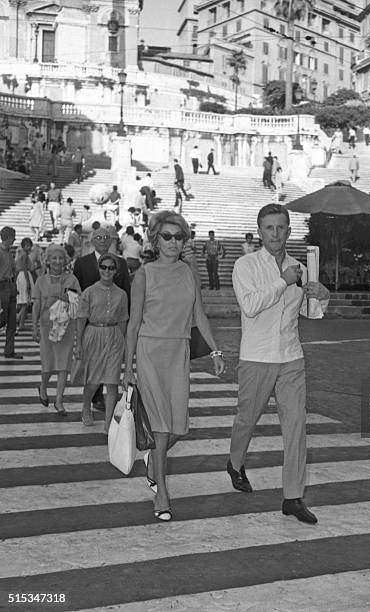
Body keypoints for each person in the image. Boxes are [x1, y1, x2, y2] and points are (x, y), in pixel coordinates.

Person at [228, 203, 330, 524]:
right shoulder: (245, 265)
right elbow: (250, 305)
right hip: (256, 356)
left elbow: (308, 313)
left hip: (291, 357)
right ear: (260, 232)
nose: (276, 233)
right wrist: (284, 281)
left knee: (296, 427)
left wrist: (321, 295)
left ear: (289, 231)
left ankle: (293, 497)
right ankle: (234, 461)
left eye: (281, 227)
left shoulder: (300, 267)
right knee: (247, 419)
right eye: (269, 228)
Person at [123, 211, 225, 521]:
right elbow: (133, 323)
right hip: (151, 351)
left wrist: (215, 351)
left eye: (179, 237)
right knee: (162, 426)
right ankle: (162, 492)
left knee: (178, 426)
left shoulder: (189, 272)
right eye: (167, 236)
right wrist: (128, 367)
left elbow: (200, 316)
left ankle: (154, 460)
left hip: (178, 352)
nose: (173, 242)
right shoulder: (144, 274)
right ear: (155, 239)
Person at [73, 225, 131, 411]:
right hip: (91, 321)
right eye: (98, 237)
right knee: (93, 368)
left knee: (111, 369)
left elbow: (126, 293)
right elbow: (75, 289)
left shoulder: (121, 263)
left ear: (111, 240)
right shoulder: (81, 263)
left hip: (113, 321)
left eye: (106, 237)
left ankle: (104, 407)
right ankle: (93, 399)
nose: (103, 240)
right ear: (92, 240)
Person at [32, 244, 81, 415]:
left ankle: (59, 401)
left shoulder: (72, 279)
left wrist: (68, 298)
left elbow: (76, 305)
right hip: (47, 327)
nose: (58, 261)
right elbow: (36, 305)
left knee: (64, 366)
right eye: (54, 258)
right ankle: (43, 386)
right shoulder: (40, 281)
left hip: (66, 327)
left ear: (65, 260)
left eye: (60, 258)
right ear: (48, 260)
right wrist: (34, 327)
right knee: (48, 365)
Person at [0, 227, 22, 359]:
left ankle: (9, 350)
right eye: (13, 237)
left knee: (12, 321)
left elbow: (13, 270)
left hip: (10, 285)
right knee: (3, 318)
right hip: (1, 286)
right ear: (7, 237)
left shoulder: (9, 252)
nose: (14, 239)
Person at [15, 238, 35, 332]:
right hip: (24, 275)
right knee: (25, 301)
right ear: (23, 246)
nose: (29, 247)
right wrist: (28, 282)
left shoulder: (22, 254)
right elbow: (24, 268)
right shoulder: (24, 254)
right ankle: (20, 322)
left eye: (29, 245)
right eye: (27, 246)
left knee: (25, 301)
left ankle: (19, 319)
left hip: (22, 275)